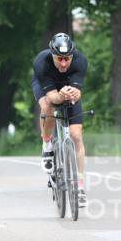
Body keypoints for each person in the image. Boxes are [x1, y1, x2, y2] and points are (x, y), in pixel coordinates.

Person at [32, 33, 88, 205]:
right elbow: (54, 99)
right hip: (46, 87)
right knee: (48, 105)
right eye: (59, 59)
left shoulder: (80, 61)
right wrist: (60, 95)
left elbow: (77, 93)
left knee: (76, 136)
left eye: (67, 59)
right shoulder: (42, 62)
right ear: (52, 55)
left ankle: (79, 186)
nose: (63, 63)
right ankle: (47, 145)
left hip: (68, 85)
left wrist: (73, 93)